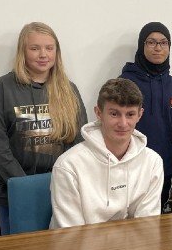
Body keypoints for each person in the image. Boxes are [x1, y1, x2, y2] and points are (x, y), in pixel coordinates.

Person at [0, 22, 87, 235]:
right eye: (35, 48)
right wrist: (24, 187)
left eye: (49, 48)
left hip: (59, 189)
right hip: (12, 191)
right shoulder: (4, 87)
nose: (43, 54)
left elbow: (78, 144)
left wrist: (60, 181)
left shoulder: (69, 90)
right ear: (23, 51)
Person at [50, 78, 164, 227]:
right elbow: (71, 235)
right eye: (114, 114)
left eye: (130, 114)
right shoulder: (68, 165)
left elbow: (147, 226)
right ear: (98, 113)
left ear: (140, 114)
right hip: (79, 248)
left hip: (133, 248)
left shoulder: (153, 162)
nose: (123, 124)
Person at [119, 22, 172, 213]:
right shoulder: (125, 83)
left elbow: (168, 123)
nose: (158, 48)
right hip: (131, 167)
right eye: (151, 42)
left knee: (159, 225)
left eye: (163, 43)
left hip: (163, 166)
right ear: (142, 45)